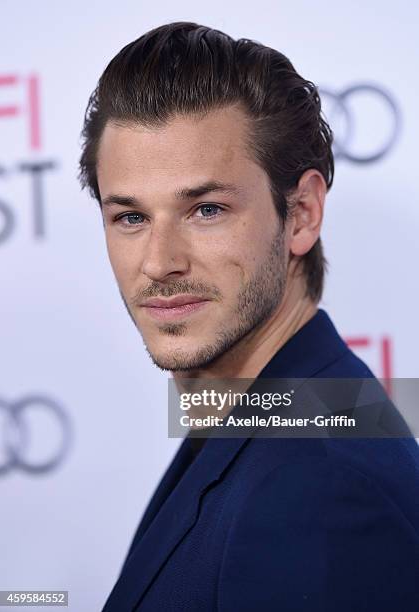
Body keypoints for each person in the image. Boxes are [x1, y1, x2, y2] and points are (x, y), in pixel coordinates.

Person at [78, 21, 419, 611]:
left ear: (302, 214)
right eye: (130, 217)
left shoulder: (323, 490)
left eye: (206, 209)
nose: (159, 262)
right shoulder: (258, 422)